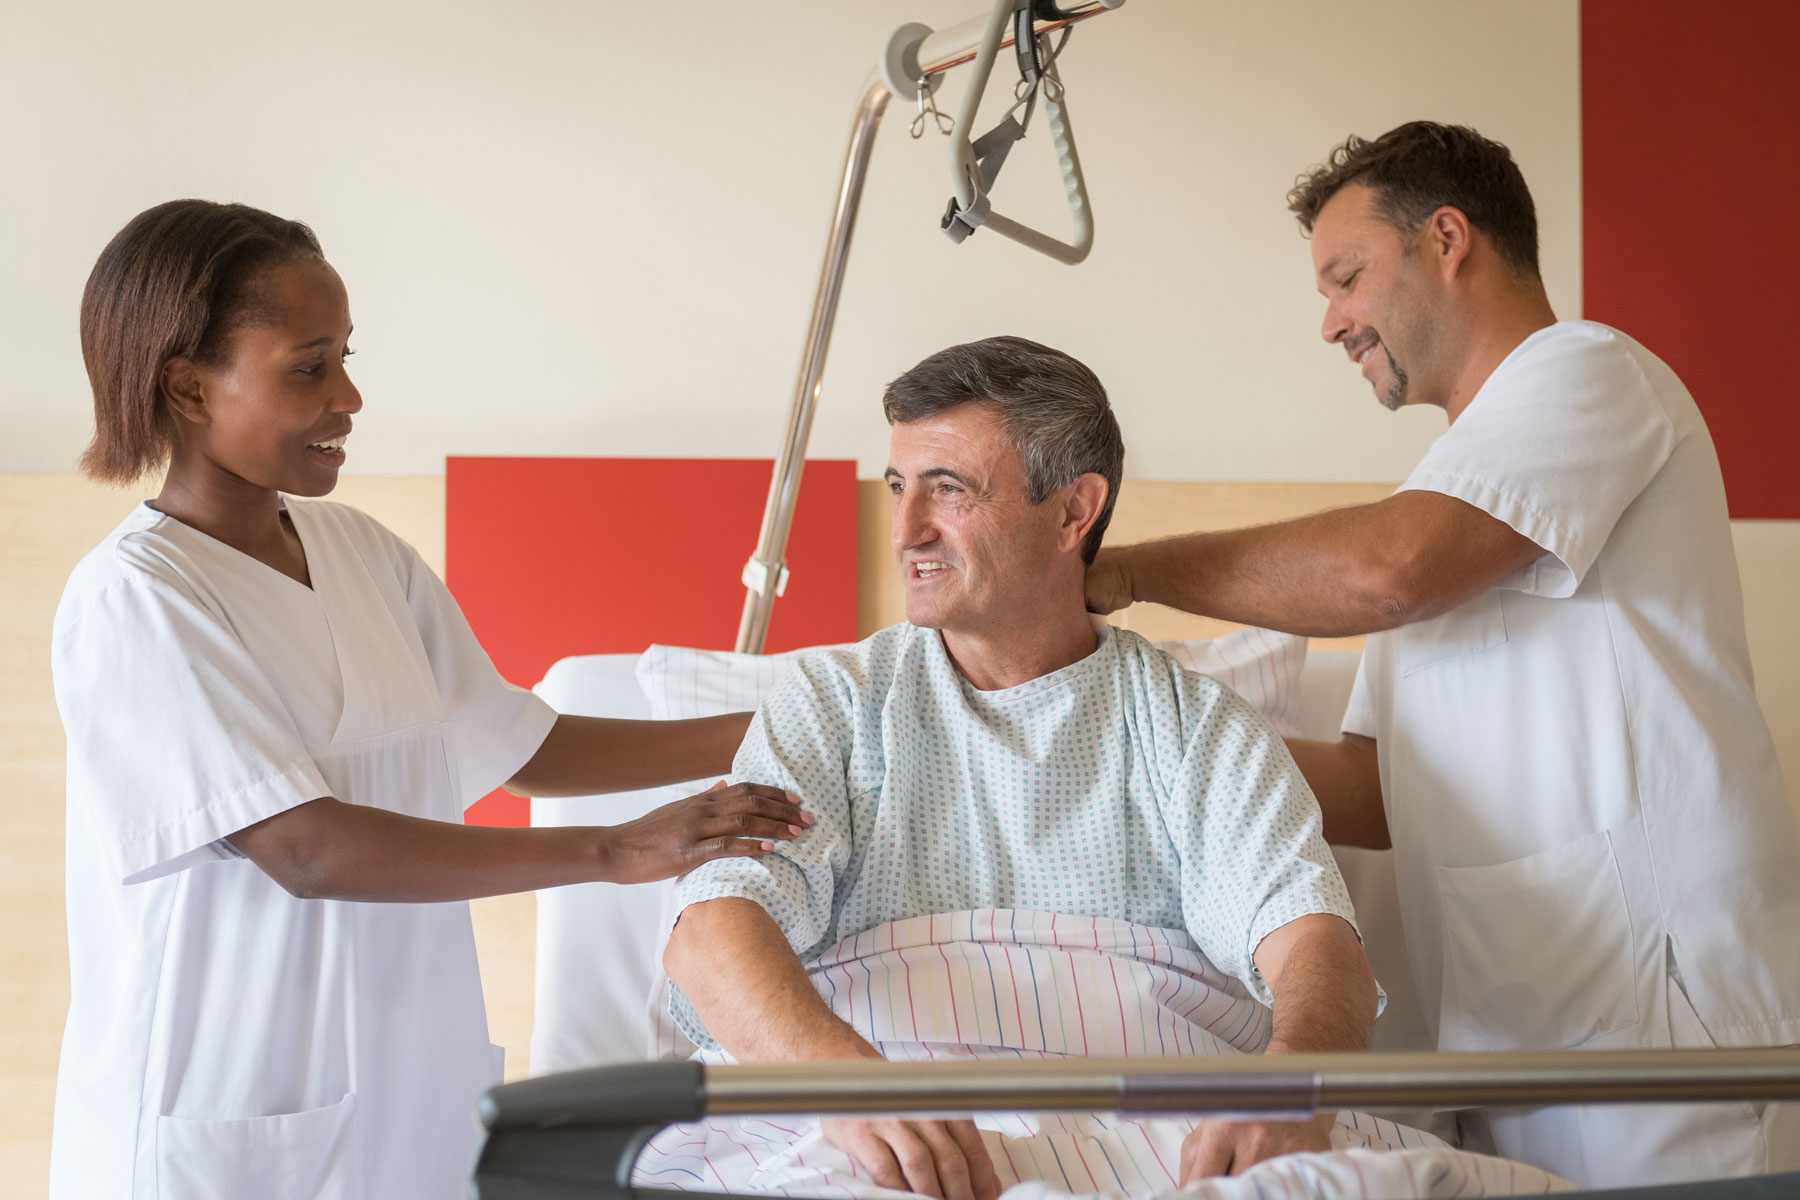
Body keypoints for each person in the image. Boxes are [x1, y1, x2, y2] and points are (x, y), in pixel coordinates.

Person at [1085, 121, 1800, 1187]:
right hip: (1519, 1026)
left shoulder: (1589, 374)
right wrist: (1136, 737)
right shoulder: (1453, 481)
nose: (1330, 323)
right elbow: (1375, 788)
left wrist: (1128, 573)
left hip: (1660, 1020)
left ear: (1449, 238)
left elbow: (1390, 571)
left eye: (1347, 277)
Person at [50, 200, 810, 1200]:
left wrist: (790, 721)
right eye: (308, 366)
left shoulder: (364, 555)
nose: (350, 395)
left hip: (405, 1099)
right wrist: (614, 850)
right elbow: (305, 849)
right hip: (232, 1121)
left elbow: (523, 746)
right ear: (190, 387)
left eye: (346, 357)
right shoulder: (139, 599)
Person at [662, 336, 1383, 1197]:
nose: (904, 531)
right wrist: (847, 1086)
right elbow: (713, 929)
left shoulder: (1193, 725)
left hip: (1151, 1121)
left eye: (949, 489)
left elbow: (1314, 940)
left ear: (1074, 511)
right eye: (898, 487)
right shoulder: (834, 702)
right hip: (870, 1123)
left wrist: (1289, 1088)